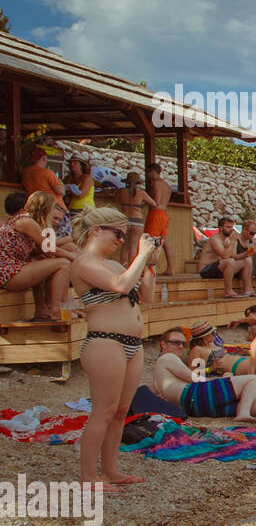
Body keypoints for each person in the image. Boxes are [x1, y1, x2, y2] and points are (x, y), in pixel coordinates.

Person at [69, 207, 161, 491]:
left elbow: (145, 296)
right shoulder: (83, 263)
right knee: (103, 411)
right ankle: (88, 477)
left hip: (132, 343)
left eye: (123, 235)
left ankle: (109, 471)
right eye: (117, 233)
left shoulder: (117, 265)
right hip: (105, 341)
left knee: (121, 411)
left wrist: (150, 265)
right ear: (96, 230)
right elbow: (120, 286)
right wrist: (141, 254)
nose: (121, 240)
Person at [0, 192, 73, 320]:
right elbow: (48, 248)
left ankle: (42, 309)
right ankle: (55, 310)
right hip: (8, 273)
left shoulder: (18, 220)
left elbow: (40, 251)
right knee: (63, 263)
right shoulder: (25, 221)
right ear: (46, 209)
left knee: (40, 259)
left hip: (9, 270)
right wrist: (73, 256)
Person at [198, 216, 255, 297]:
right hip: (206, 270)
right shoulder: (215, 239)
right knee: (229, 261)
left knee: (248, 260)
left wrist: (246, 254)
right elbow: (225, 256)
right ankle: (228, 291)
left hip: (221, 268)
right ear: (221, 228)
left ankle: (247, 290)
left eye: (232, 227)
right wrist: (232, 242)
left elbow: (235, 256)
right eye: (228, 227)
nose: (231, 229)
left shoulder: (230, 239)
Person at [21, 148, 71, 237]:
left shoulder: (25, 172)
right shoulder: (48, 173)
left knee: (41, 235)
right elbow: (60, 191)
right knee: (60, 236)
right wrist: (62, 184)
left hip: (37, 207)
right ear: (44, 158)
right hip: (55, 207)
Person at [115, 171, 157, 265]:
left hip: (125, 220)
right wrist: (142, 203)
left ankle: (123, 268)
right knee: (133, 246)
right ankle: (132, 269)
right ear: (138, 183)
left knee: (124, 246)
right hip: (137, 220)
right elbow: (154, 203)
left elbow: (116, 200)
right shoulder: (141, 193)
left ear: (127, 182)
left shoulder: (121, 191)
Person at [144, 162, 175, 276]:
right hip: (164, 214)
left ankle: (149, 269)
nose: (147, 175)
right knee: (165, 243)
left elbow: (156, 200)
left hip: (156, 213)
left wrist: (144, 197)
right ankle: (171, 268)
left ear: (152, 171)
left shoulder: (156, 183)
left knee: (150, 241)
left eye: (148, 172)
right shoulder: (166, 185)